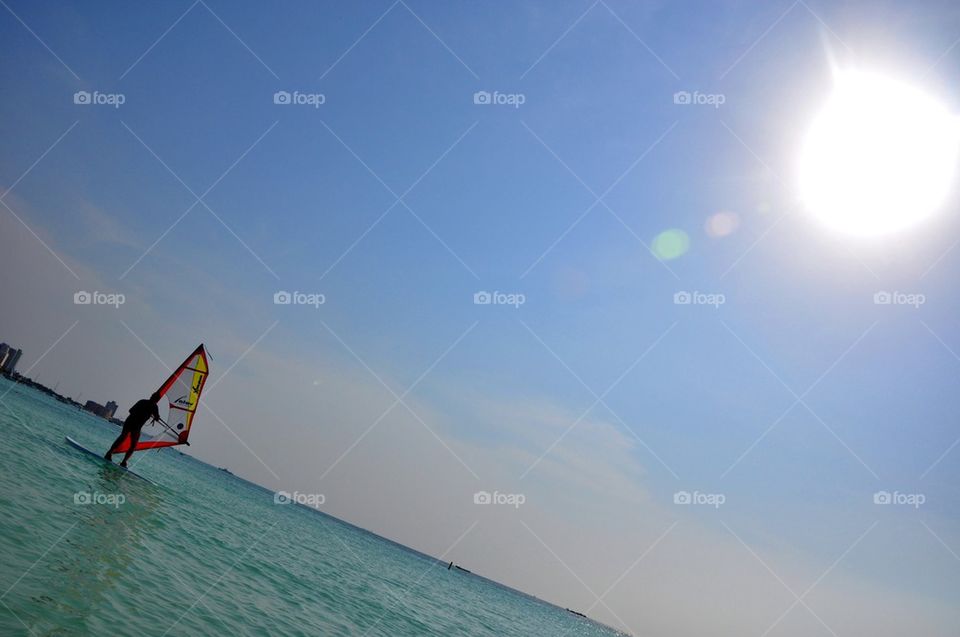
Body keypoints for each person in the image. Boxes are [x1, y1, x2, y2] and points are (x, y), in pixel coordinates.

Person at [105, 392, 161, 467]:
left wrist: (155, 416)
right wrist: (143, 413)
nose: (152, 398)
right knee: (123, 437)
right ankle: (110, 454)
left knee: (132, 444)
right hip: (131, 422)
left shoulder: (154, 407)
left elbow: (157, 418)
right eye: (153, 397)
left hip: (136, 426)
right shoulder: (143, 402)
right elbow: (131, 410)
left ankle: (123, 461)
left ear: (156, 399)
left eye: (154, 398)